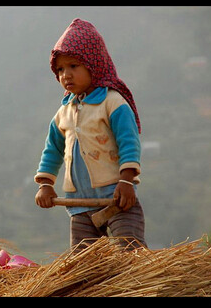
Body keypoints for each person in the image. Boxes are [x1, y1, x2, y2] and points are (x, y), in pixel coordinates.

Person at [34, 18, 147, 253]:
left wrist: (126, 181)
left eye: (74, 66)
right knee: (83, 263)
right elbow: (52, 150)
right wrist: (45, 184)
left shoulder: (113, 103)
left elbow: (129, 142)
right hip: (80, 204)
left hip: (117, 199)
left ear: (94, 64)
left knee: (132, 253)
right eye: (61, 69)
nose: (66, 75)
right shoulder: (63, 112)